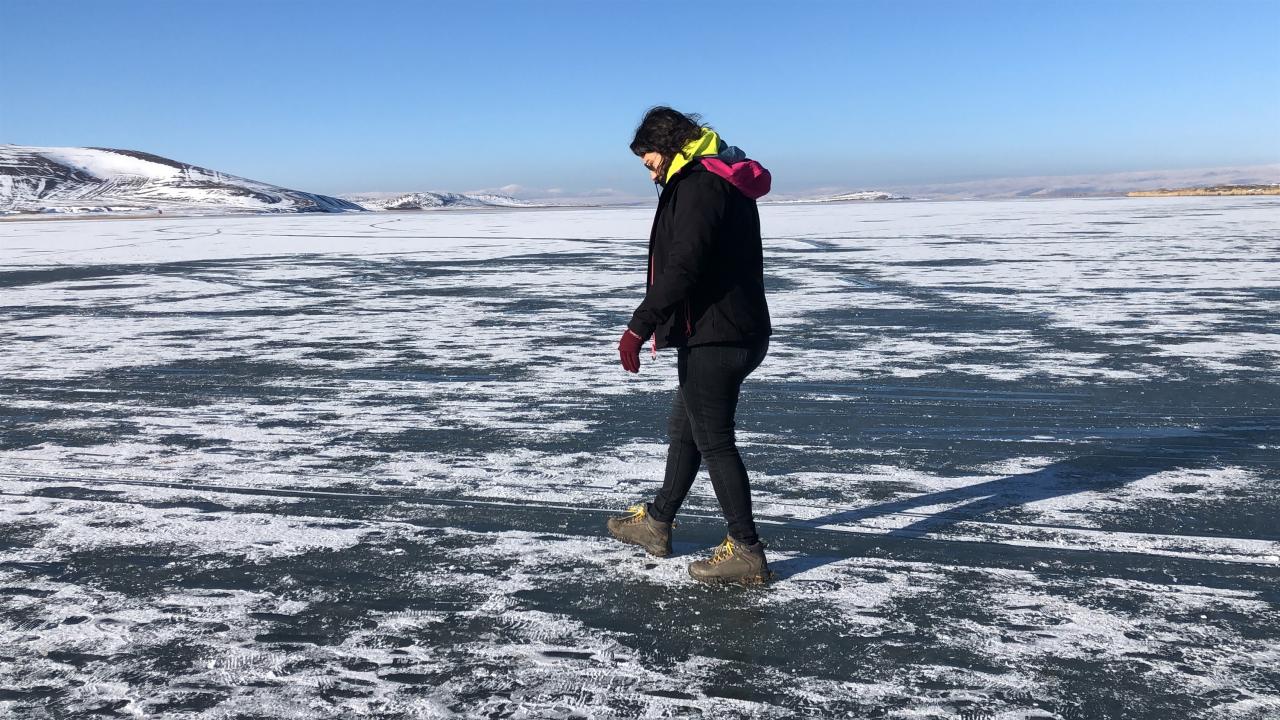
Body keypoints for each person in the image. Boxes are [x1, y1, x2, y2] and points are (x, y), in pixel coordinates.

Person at [607, 106, 774, 584]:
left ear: (671, 146)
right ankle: (658, 522)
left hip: (716, 335)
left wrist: (639, 326)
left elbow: (684, 265)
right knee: (685, 429)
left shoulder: (700, 185)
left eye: (650, 159)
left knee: (714, 441)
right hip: (730, 329)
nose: (649, 171)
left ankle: (747, 550)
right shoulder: (717, 177)